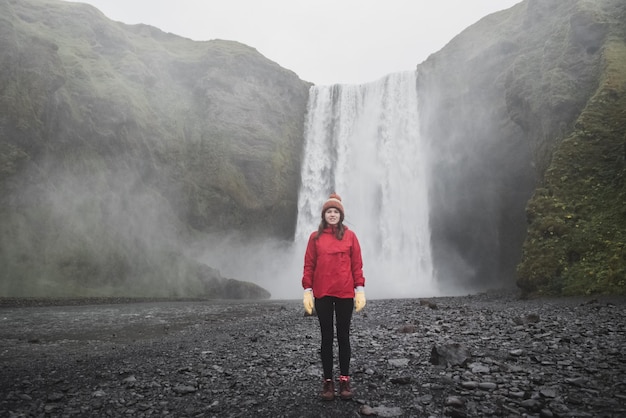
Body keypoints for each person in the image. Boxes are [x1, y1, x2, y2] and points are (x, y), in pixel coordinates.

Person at [302, 193, 366, 401]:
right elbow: (309, 265)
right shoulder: (315, 237)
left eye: (335, 212)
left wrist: (360, 288)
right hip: (322, 294)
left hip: (346, 293)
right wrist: (307, 290)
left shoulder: (350, 237)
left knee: (344, 337)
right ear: (324, 215)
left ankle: (345, 380)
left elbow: (356, 264)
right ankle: (328, 382)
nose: (332, 214)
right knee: (327, 338)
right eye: (329, 211)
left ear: (341, 215)